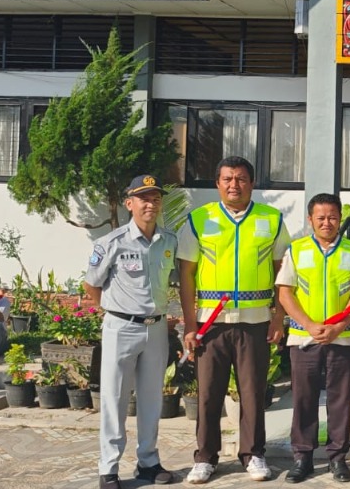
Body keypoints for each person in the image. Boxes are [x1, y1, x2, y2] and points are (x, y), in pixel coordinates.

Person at [179, 157, 290, 485]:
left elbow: (283, 272)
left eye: (241, 179)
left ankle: (253, 454)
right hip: (210, 324)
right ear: (217, 183)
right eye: (227, 179)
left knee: (253, 392)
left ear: (252, 183)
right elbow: (185, 275)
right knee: (208, 394)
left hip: (256, 322)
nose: (234, 185)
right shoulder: (199, 219)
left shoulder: (271, 219)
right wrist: (190, 325)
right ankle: (205, 457)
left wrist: (278, 317)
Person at [86, 175, 178, 489]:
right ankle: (108, 468)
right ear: (129, 204)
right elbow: (91, 284)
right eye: (143, 199)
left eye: (155, 198)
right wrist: (114, 311)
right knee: (114, 399)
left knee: (152, 399)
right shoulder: (111, 243)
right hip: (121, 328)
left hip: (156, 329)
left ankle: (148, 463)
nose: (150, 204)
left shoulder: (169, 241)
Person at [276, 193, 350, 484]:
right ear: (310, 219)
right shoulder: (296, 250)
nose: (327, 222)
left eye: (332, 217)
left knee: (340, 400)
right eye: (321, 217)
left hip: (341, 339)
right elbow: (285, 293)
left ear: (340, 219)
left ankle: (337, 458)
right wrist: (309, 325)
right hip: (303, 339)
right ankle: (302, 457)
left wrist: (338, 327)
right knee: (304, 399)